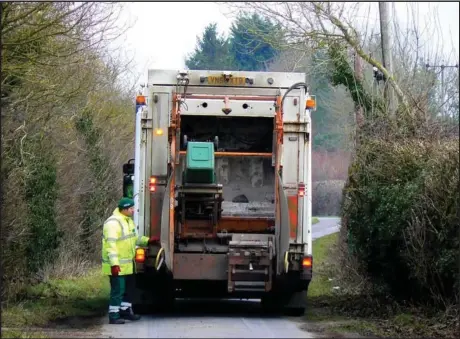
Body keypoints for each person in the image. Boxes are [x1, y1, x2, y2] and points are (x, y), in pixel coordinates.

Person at [102, 197, 159, 324]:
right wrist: (114, 264)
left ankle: (125, 311)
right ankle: (114, 316)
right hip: (117, 267)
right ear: (124, 209)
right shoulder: (112, 224)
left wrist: (147, 240)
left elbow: (134, 239)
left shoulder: (128, 221)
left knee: (129, 290)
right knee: (118, 291)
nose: (133, 210)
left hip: (128, 265)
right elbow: (111, 246)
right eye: (131, 208)